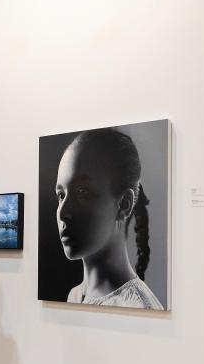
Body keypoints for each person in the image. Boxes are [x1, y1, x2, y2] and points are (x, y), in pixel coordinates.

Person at [55, 127, 162, 309]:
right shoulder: (75, 295)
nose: (62, 212)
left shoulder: (138, 306)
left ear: (124, 204)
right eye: (61, 195)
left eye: (82, 192)